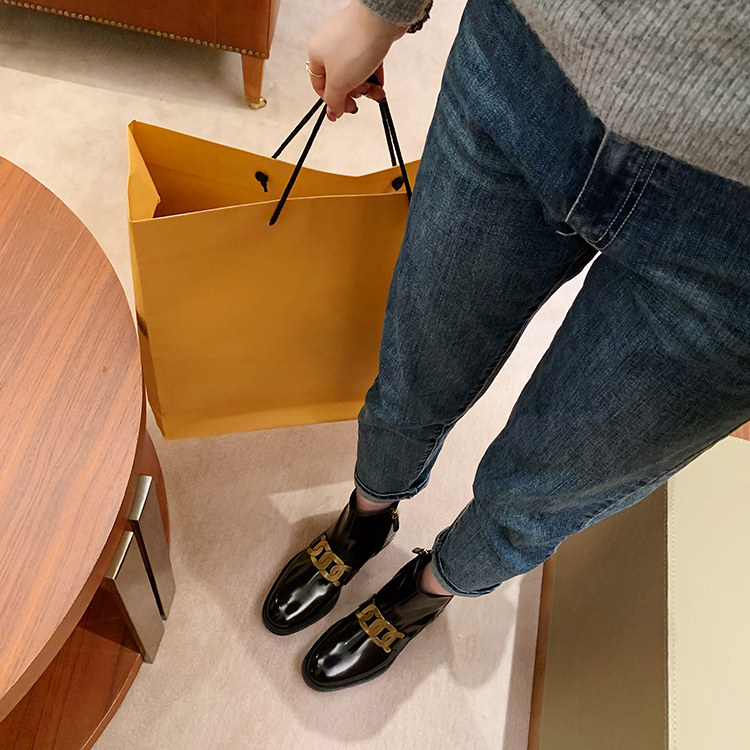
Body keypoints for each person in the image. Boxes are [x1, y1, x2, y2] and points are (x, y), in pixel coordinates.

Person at [263, 0, 750, 691]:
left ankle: (429, 588)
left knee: (553, 483)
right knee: (417, 366)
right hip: (538, 60)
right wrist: (383, 10)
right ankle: (365, 519)